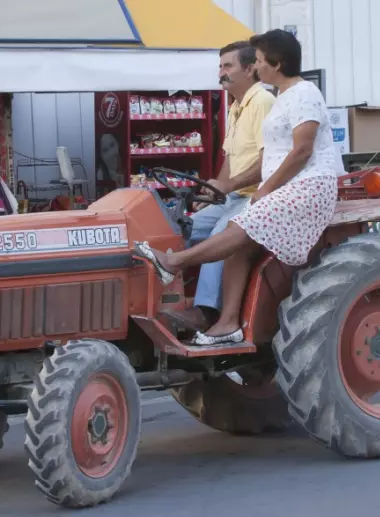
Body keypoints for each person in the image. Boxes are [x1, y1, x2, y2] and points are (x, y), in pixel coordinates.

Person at [134, 29, 339, 345]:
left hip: (307, 187)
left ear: (278, 62)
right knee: (224, 236)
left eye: (258, 61)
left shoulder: (303, 93)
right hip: (286, 186)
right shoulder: (280, 97)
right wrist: (220, 188)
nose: (256, 68)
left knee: (233, 228)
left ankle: (175, 266)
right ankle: (227, 322)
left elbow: (302, 150)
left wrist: (266, 189)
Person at [162, 40, 276, 331]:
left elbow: (268, 164)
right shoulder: (236, 107)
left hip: (256, 197)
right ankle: (164, 302)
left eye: (228, 66)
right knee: (179, 228)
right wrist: (214, 192)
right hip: (233, 195)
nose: (221, 72)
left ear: (250, 69)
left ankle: (207, 312)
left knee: (217, 236)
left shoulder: (263, 102)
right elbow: (229, 159)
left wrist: (227, 188)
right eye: (220, 66)